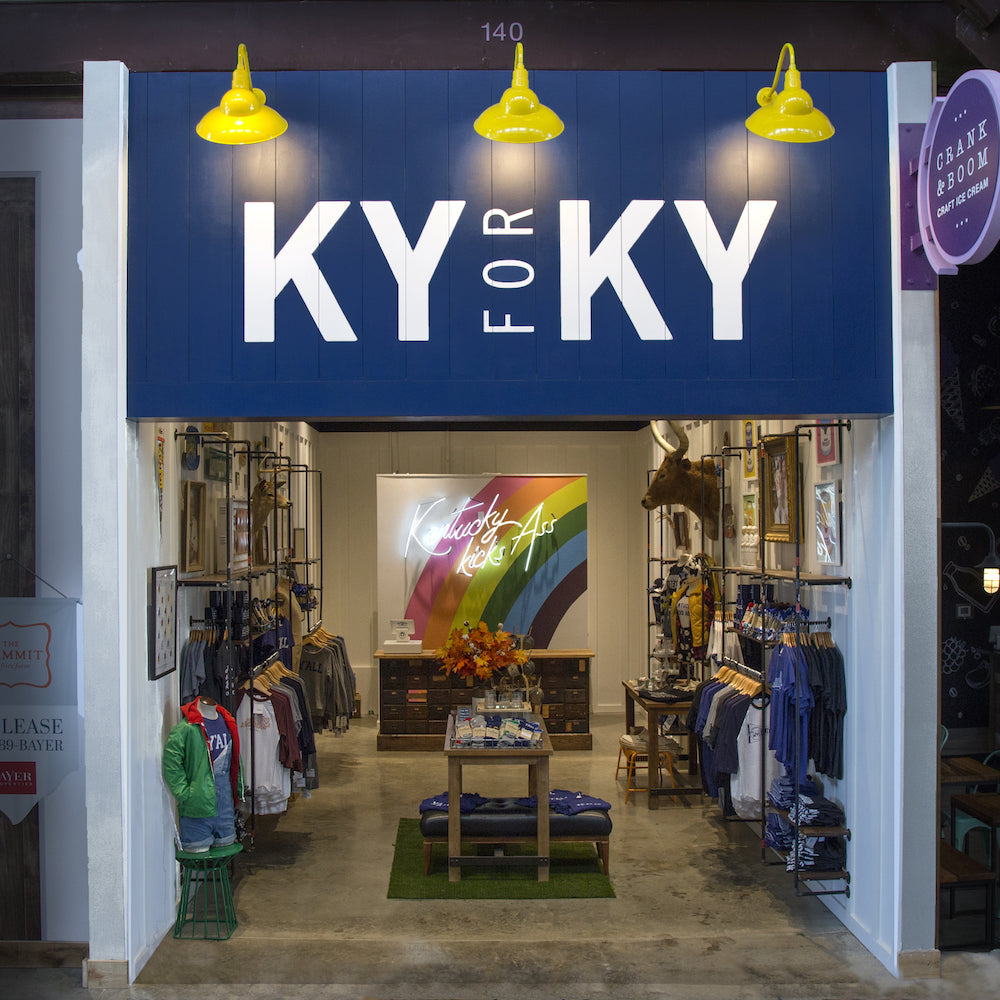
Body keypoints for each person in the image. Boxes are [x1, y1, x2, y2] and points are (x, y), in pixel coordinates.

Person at [163, 695, 243, 852]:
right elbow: (171, 760)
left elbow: (234, 761)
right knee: (199, 858)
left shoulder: (227, 722)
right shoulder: (187, 727)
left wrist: (238, 790)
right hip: (196, 810)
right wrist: (184, 793)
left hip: (225, 807)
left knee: (224, 854)